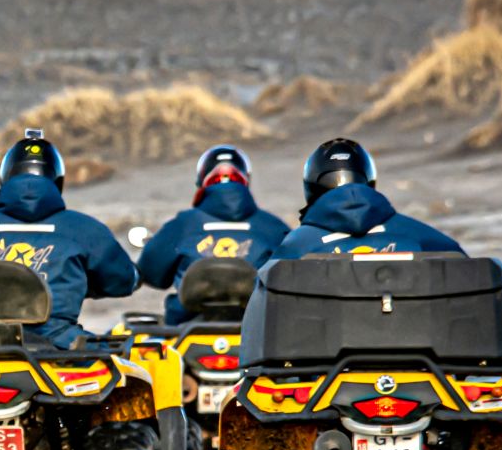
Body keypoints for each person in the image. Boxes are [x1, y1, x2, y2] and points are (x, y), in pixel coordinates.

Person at [0, 129, 139, 347]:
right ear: (57, 179)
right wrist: (78, 283)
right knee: (128, 364)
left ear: (6, 177)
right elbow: (123, 280)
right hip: (60, 345)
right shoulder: (84, 229)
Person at [134, 144, 291, 322]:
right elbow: (292, 281)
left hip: (187, 326)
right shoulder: (274, 227)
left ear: (202, 180)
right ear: (246, 179)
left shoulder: (182, 224)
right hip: (256, 329)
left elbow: (151, 273)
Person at [273, 137, 464, 259]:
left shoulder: (295, 246)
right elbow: (468, 269)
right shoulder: (422, 236)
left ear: (311, 186)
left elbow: (260, 310)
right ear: (369, 180)